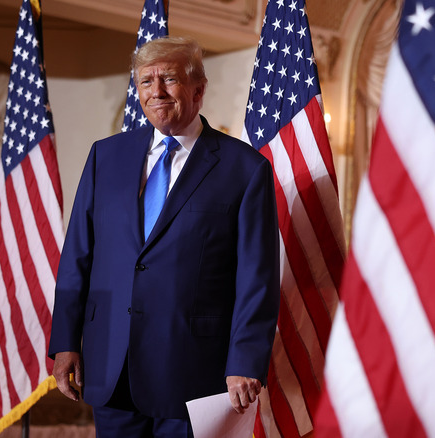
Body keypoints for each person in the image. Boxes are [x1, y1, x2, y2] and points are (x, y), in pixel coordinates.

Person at [48, 36, 280, 437]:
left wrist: (245, 360)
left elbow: (256, 277)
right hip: (111, 367)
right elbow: (78, 257)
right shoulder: (106, 156)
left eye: (169, 79)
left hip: (192, 373)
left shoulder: (244, 169)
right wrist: (65, 341)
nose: (155, 91)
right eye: (145, 81)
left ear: (198, 89)